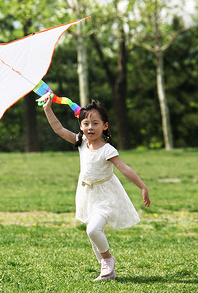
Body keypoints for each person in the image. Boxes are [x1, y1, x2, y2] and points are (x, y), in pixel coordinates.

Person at [40, 94, 150, 281]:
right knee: (93, 233)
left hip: (107, 195)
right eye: (86, 123)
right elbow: (58, 129)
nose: (90, 127)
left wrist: (142, 186)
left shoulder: (108, 150)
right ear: (81, 126)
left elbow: (124, 168)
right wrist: (48, 109)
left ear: (105, 126)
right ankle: (108, 273)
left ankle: (107, 259)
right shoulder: (80, 142)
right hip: (87, 195)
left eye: (95, 123)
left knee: (93, 230)